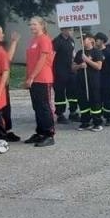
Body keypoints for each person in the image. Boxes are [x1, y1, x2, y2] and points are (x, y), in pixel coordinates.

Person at [24, 17, 56, 146]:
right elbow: (30, 61)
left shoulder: (44, 39)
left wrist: (32, 77)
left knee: (44, 107)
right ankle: (40, 132)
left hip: (43, 78)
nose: (32, 27)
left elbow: (42, 60)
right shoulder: (33, 40)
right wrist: (28, 77)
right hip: (34, 79)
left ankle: (49, 134)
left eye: (34, 24)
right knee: (36, 106)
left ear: (42, 25)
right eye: (30, 24)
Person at [51, 26, 76, 124]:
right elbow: (51, 56)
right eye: (69, 29)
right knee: (60, 93)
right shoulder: (57, 41)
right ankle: (60, 114)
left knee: (72, 92)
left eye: (72, 29)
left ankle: (73, 112)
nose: (71, 31)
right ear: (63, 30)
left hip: (70, 71)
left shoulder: (71, 40)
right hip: (60, 72)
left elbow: (73, 53)